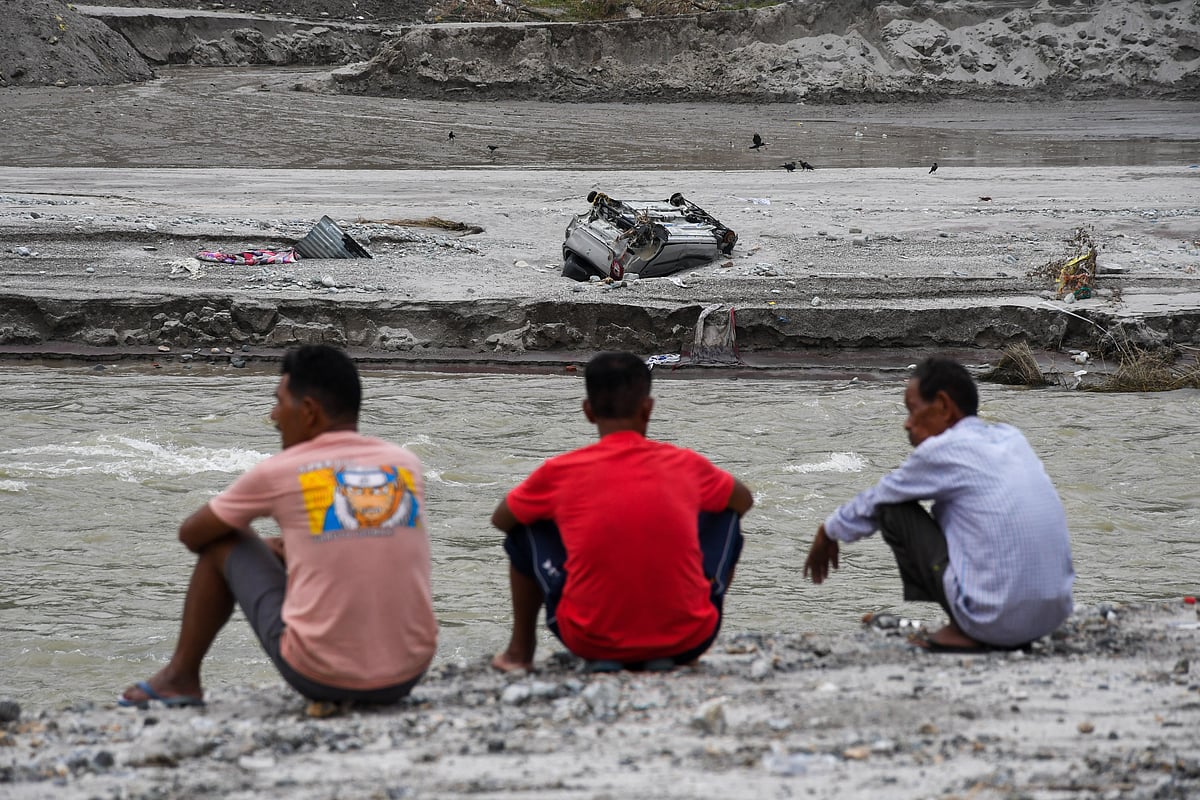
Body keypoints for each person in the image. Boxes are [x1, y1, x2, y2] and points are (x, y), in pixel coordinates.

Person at [119, 345, 437, 708]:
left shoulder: (281, 470)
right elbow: (359, 539)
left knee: (222, 539)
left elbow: (192, 534)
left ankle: (180, 677)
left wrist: (259, 546)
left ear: (309, 412)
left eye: (279, 402)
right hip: (409, 672)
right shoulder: (405, 464)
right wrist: (291, 548)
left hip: (323, 676)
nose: (273, 415)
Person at [490, 351, 754, 673]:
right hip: (689, 640)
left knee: (524, 528)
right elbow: (743, 501)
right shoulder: (687, 464)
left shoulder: (559, 472)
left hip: (589, 640)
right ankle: (684, 633)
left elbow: (502, 519)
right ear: (648, 408)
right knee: (724, 516)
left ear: (588, 412)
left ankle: (520, 652)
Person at [803, 356, 1074, 652]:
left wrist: (827, 532)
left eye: (913, 410)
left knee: (893, 509)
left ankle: (966, 627)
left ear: (943, 406)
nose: (907, 424)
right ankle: (987, 613)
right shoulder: (1011, 437)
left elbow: (877, 499)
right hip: (1053, 616)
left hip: (996, 625)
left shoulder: (943, 449)